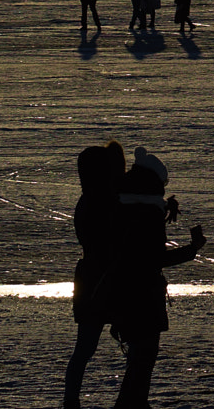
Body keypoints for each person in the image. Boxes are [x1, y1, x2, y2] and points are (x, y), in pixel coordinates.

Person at [110, 148, 206, 409]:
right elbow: (154, 259)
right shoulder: (147, 214)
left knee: (138, 357)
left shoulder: (124, 207)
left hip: (124, 292)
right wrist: (191, 250)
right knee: (144, 357)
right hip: (143, 295)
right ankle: (132, 404)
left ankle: (132, 403)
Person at [63, 141, 125, 408]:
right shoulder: (102, 201)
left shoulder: (92, 199)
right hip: (102, 278)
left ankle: (71, 401)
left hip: (93, 277)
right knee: (87, 347)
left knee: (85, 348)